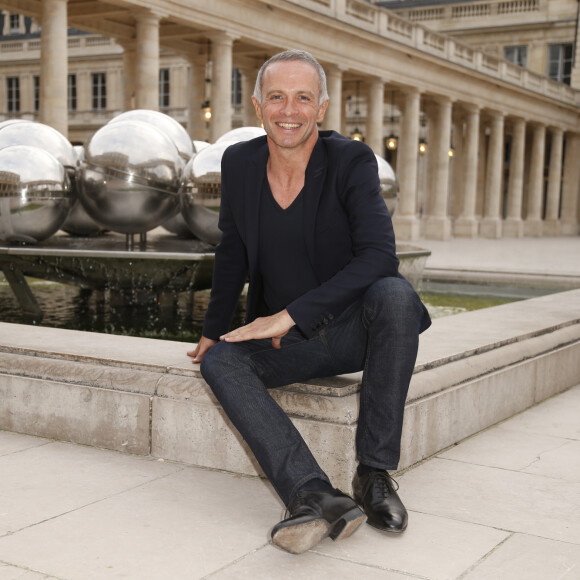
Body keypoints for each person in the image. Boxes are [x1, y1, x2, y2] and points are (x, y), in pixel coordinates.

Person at [187, 49, 431, 555]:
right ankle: (314, 493)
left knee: (395, 294)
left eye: (303, 98)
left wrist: (290, 314)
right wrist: (213, 329)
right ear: (258, 105)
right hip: (286, 343)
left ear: (321, 107)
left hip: (348, 331)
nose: (289, 110)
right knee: (222, 362)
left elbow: (380, 257)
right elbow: (231, 248)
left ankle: (374, 474)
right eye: (277, 97)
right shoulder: (240, 162)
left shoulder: (351, 161)